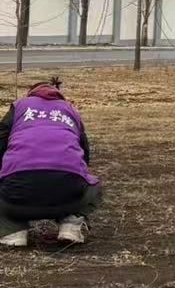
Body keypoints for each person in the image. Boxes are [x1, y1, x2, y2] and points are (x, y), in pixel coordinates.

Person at [0, 78, 100, 247]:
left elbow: (1, 138)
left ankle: (12, 230)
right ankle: (71, 223)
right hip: (68, 193)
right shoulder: (69, 109)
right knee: (95, 186)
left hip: (16, 194)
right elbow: (84, 151)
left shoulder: (20, 106)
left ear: (30, 94)